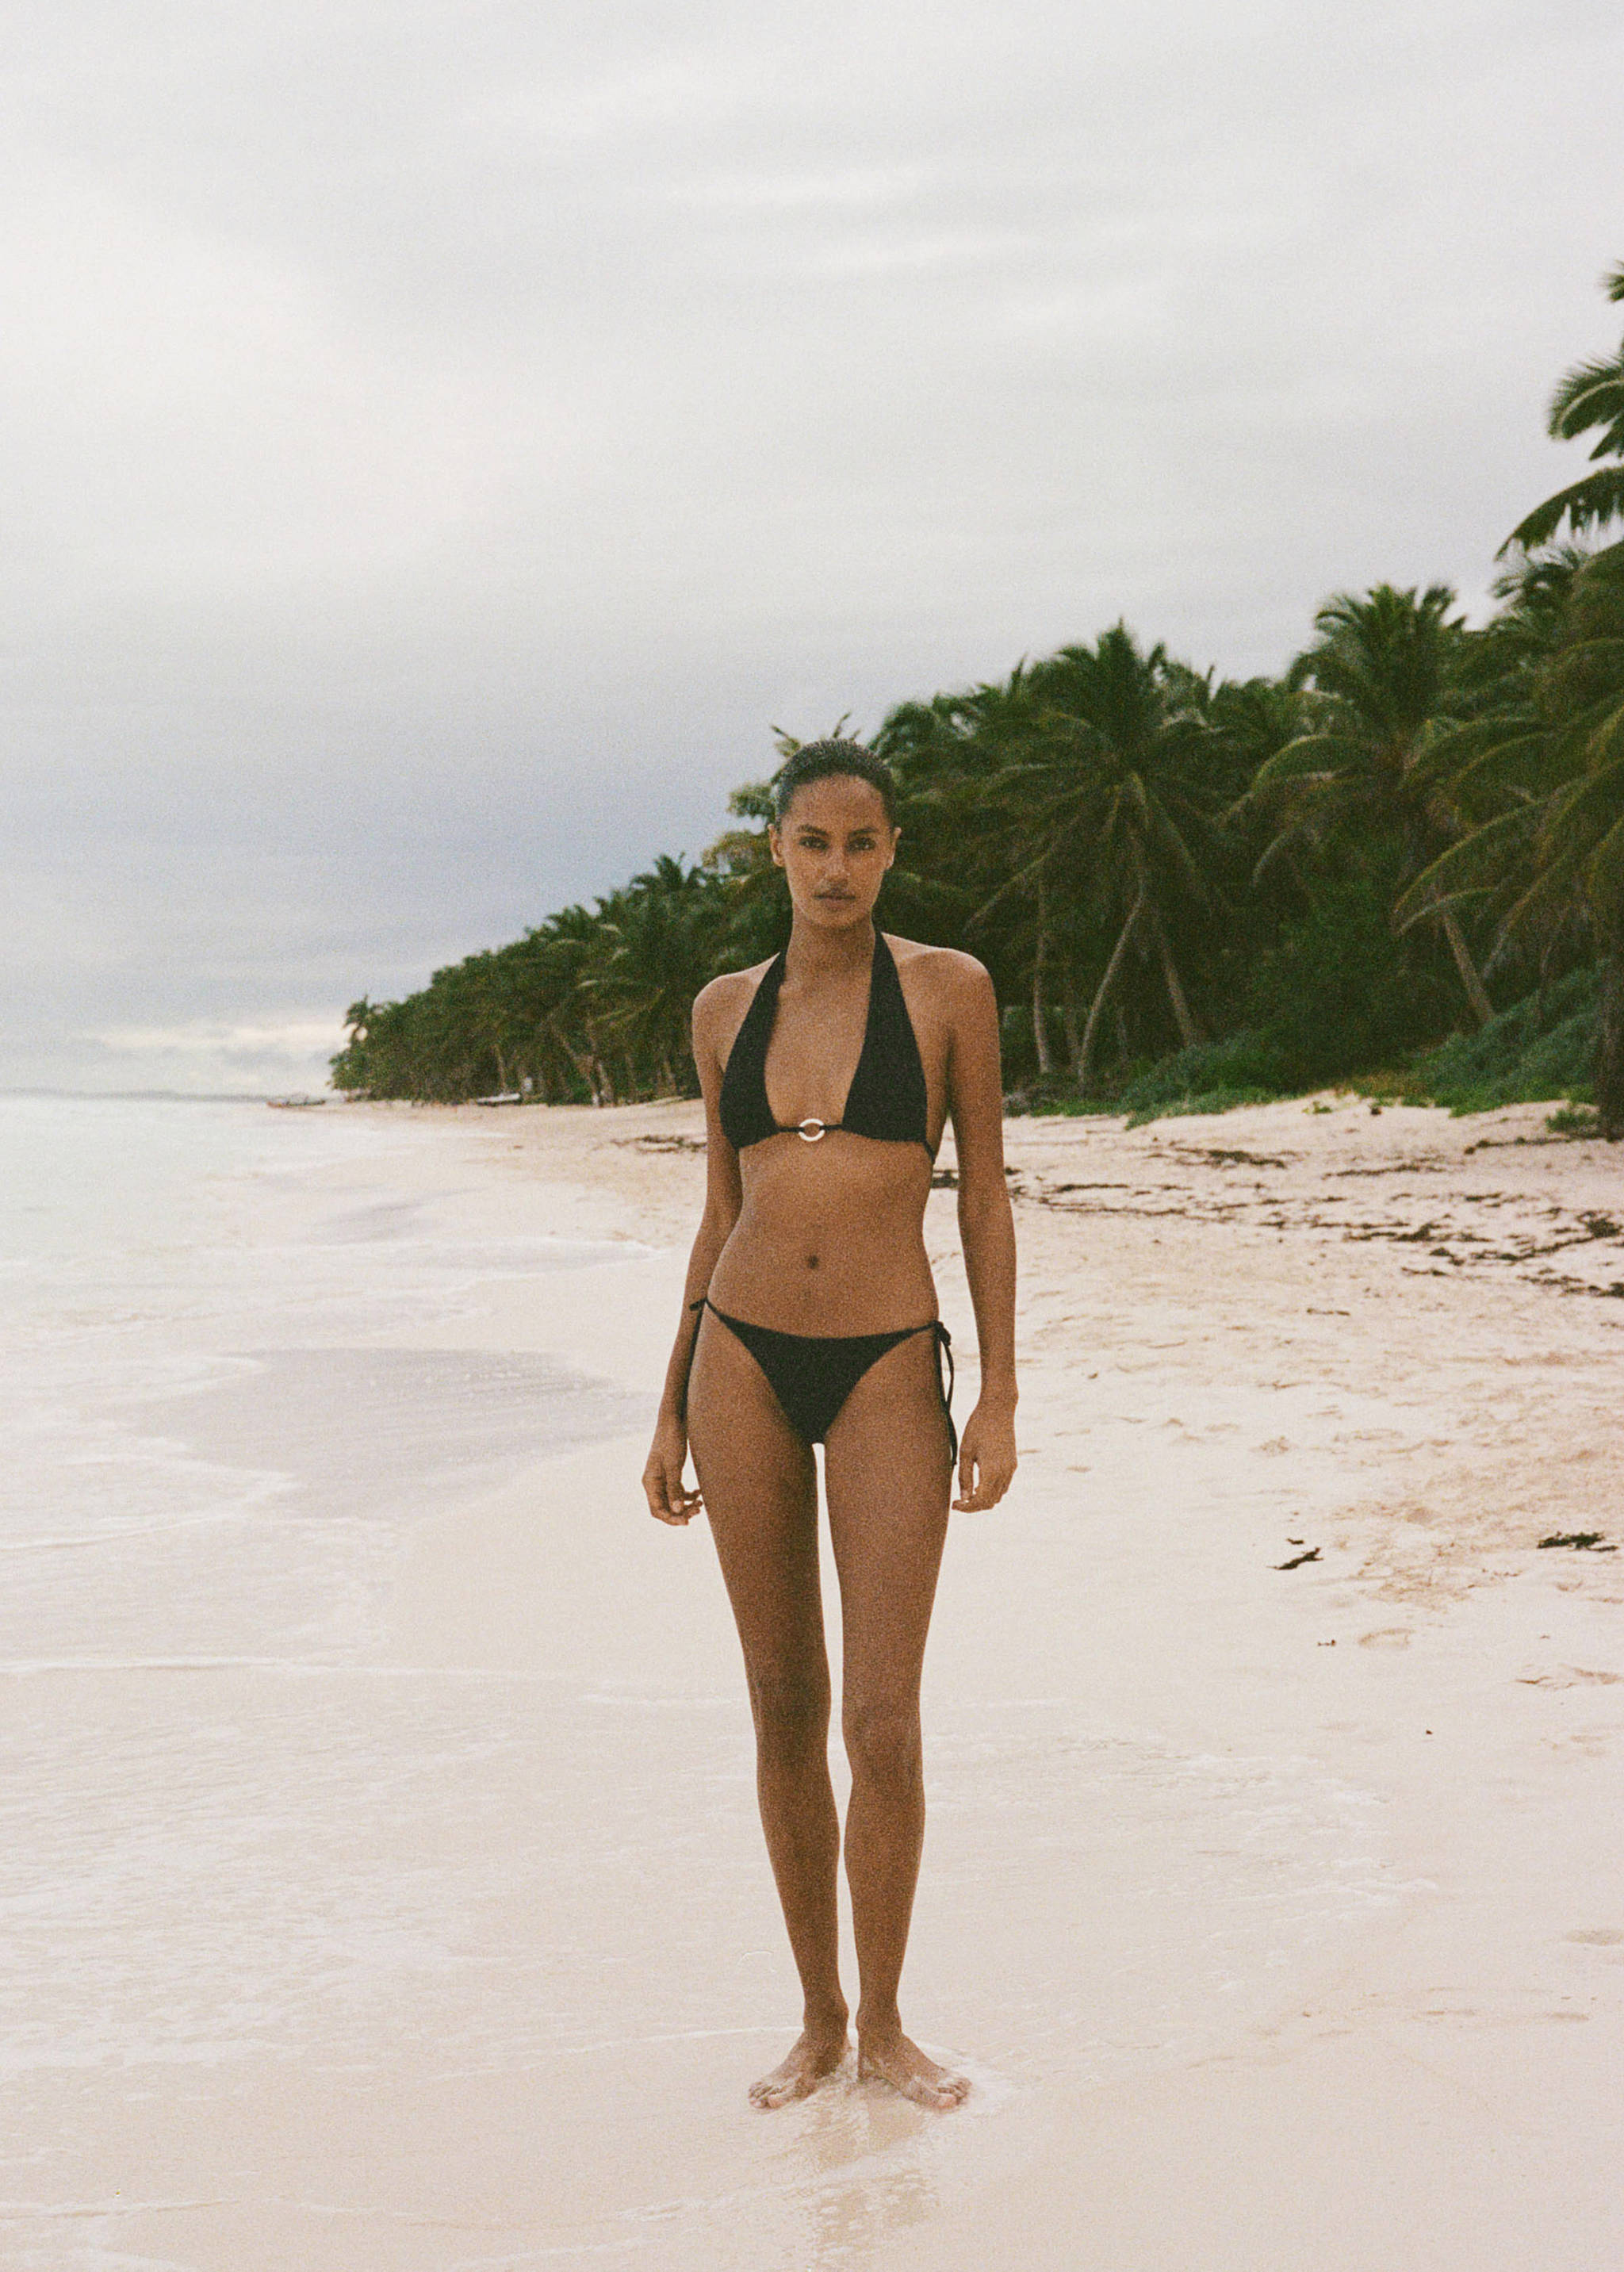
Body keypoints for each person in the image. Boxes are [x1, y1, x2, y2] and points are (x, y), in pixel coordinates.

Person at [642, 738, 1018, 2112]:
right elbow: (717, 1208)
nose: (838, 868)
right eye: (814, 843)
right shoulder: (722, 1010)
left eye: (863, 844)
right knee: (783, 1708)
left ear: (892, 852)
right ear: (778, 852)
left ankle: (890, 2024)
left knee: (885, 1722)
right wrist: (670, 1395)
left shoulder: (949, 992)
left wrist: (1001, 1390)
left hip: (882, 1363)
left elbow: (982, 1195)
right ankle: (815, 2018)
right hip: (738, 1354)